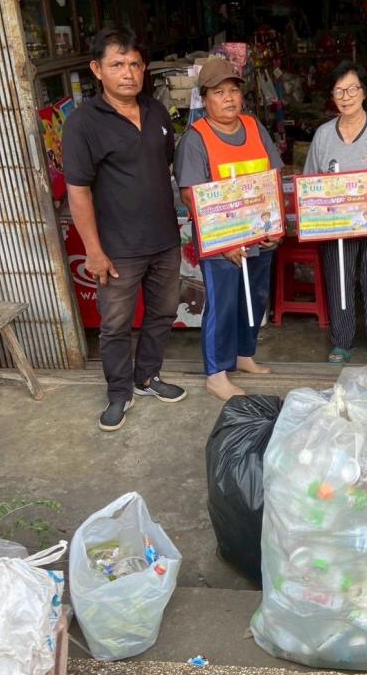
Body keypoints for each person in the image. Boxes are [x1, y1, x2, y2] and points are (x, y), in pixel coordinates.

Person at [63, 29, 187, 431]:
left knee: (163, 313)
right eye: (117, 65)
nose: (128, 73)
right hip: (117, 248)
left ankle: (147, 376)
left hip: (165, 239)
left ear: (144, 67)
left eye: (134, 64)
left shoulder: (155, 112)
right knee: (115, 324)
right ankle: (119, 392)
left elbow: (163, 166)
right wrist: (94, 251)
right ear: (97, 70)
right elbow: (78, 191)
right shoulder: (83, 125)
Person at [174, 58, 284, 401]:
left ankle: (243, 354)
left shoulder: (254, 126)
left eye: (233, 91)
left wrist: (276, 225)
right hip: (222, 241)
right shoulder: (196, 139)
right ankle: (216, 372)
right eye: (219, 93)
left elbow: (273, 176)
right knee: (222, 303)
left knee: (254, 297)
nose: (228, 98)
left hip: (259, 234)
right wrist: (223, 243)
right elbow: (191, 195)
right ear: (204, 99)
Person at [304, 62, 367, 364]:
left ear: (363, 92)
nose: (345, 97)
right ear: (332, 97)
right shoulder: (323, 135)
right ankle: (342, 341)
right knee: (339, 281)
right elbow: (311, 184)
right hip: (337, 227)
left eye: (352, 89)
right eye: (338, 91)